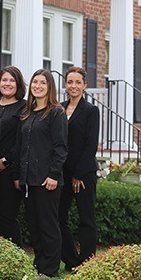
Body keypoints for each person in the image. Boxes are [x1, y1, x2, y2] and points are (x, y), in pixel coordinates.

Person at [14, 69, 68, 277]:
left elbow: (61, 148)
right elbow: (21, 148)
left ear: (50, 87)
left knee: (48, 226)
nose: (37, 86)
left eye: (42, 83)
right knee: (35, 225)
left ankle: (50, 268)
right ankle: (39, 265)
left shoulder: (56, 113)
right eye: (34, 82)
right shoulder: (27, 114)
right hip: (29, 179)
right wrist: (19, 176)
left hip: (47, 180)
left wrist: (54, 175)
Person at [59, 67, 99, 269]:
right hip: (62, 173)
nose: (73, 86)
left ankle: (87, 261)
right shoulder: (59, 108)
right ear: (65, 84)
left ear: (85, 85)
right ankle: (70, 260)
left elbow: (90, 145)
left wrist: (78, 175)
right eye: (70, 82)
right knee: (59, 216)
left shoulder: (91, 111)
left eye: (77, 82)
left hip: (83, 173)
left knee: (86, 218)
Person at [0, 66, 26, 246]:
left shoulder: (25, 107)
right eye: (4, 80)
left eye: (11, 80)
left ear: (18, 84)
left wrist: (6, 160)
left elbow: (23, 140)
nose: (7, 84)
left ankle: (17, 256)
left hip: (10, 171)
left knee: (7, 216)